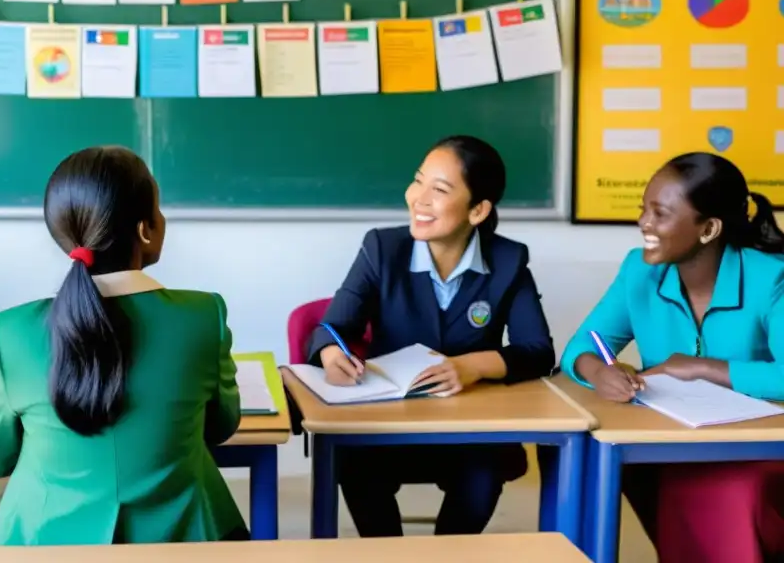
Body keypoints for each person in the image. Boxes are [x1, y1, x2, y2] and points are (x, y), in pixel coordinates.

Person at [0, 146, 247, 545]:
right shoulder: (204, 317)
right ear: (145, 228)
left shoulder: (9, 332)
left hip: (44, 545)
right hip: (179, 543)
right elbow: (221, 426)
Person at [308, 135, 555, 537]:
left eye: (439, 190)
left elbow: (538, 351)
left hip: (467, 431)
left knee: (484, 470)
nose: (419, 198)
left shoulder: (509, 260)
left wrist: (471, 367)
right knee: (353, 465)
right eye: (418, 181)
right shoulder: (381, 249)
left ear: (478, 210)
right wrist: (331, 354)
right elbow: (331, 329)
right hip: (386, 429)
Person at [561, 152, 784, 563]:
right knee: (597, 461)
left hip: (758, 450)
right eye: (643, 210)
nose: (644, 224)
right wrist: (599, 371)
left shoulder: (771, 278)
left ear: (709, 228)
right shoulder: (640, 271)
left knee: (720, 490)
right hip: (671, 443)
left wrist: (702, 368)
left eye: (659, 213)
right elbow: (581, 346)